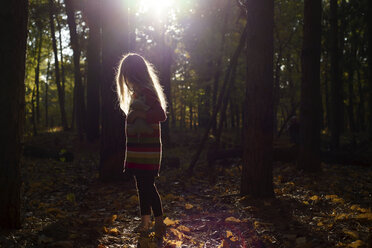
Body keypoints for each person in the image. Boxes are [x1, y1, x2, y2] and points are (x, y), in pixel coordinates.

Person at [115, 53, 167, 238]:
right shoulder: (137, 94)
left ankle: (160, 222)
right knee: (142, 186)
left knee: (148, 185)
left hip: (148, 151)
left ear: (134, 75)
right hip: (138, 151)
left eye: (127, 77)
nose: (127, 81)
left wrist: (141, 116)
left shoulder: (147, 92)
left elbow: (161, 115)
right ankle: (145, 222)